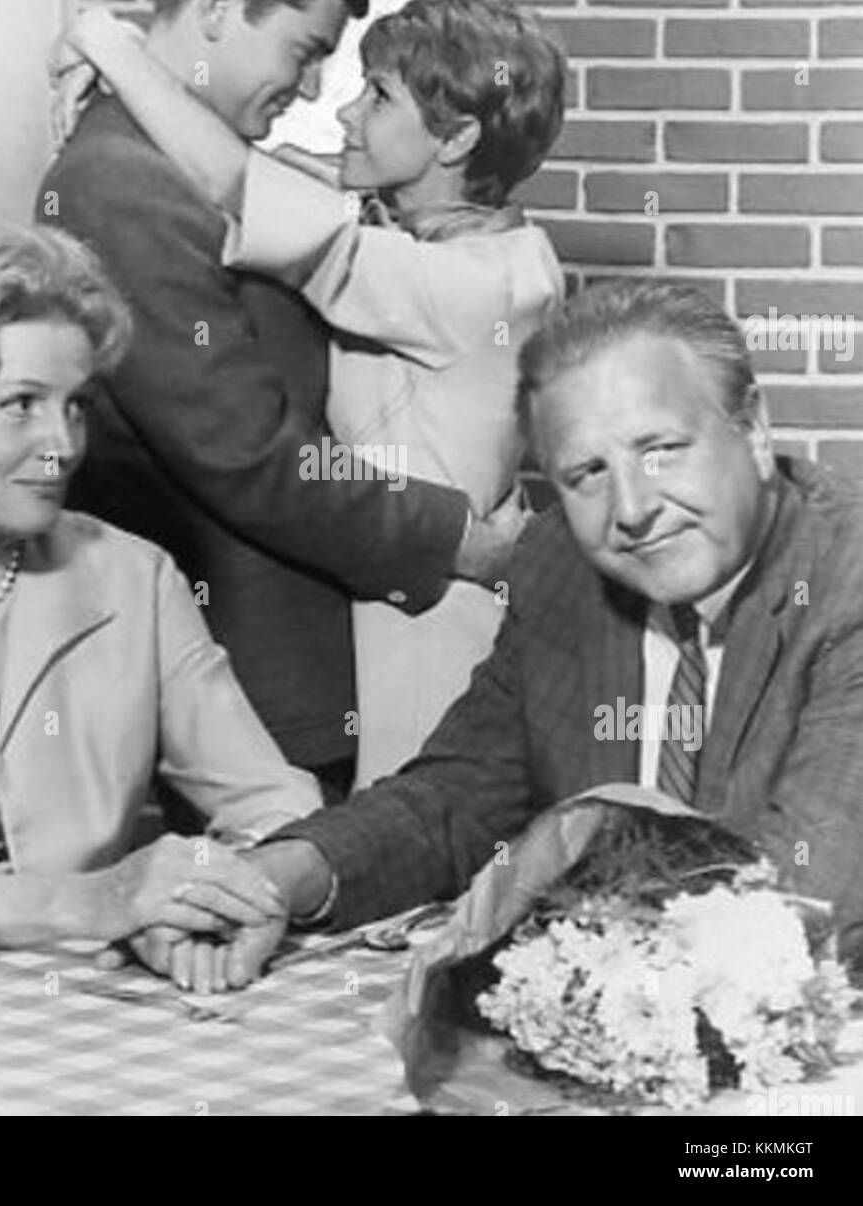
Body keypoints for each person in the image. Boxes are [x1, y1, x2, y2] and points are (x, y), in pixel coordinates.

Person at [172, 280, 863, 991]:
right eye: (588, 472)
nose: (631, 509)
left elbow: (798, 901)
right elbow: (462, 796)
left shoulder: (846, 577)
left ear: (752, 429)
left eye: (659, 448)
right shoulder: (560, 562)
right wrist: (273, 881)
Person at [37, 0, 523, 806]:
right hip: (247, 683)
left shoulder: (186, 159)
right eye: (305, 54)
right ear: (220, 11)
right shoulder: (120, 185)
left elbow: (284, 205)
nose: (312, 93)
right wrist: (457, 538)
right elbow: (246, 455)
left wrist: (103, 40)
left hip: (297, 665)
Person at [0, 222, 322, 970]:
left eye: (74, 405)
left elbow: (276, 808)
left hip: (80, 1029)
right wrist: (92, 901)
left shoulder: (135, 580)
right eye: (21, 404)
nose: (62, 444)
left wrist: (213, 903)